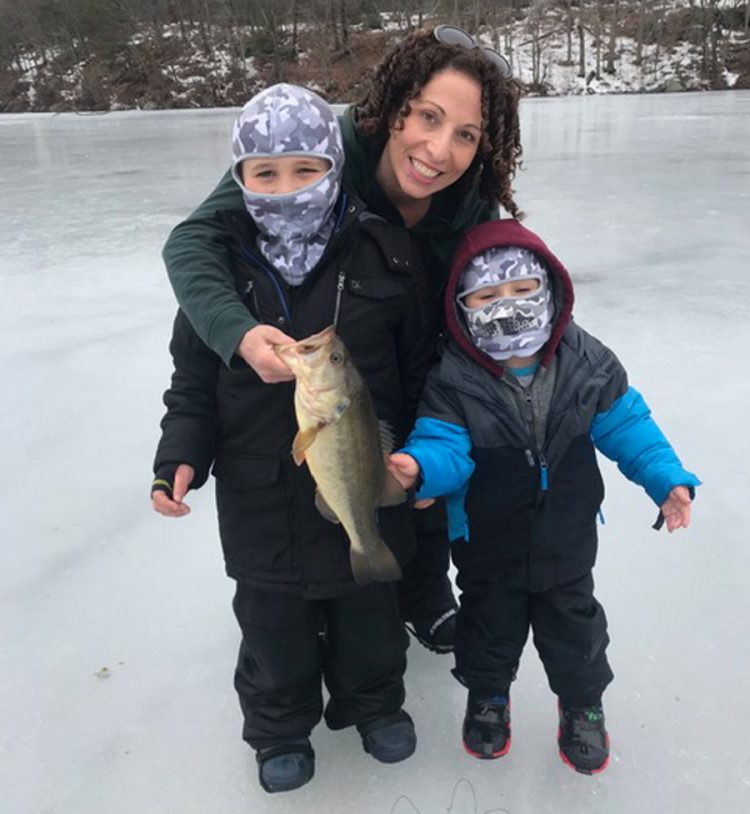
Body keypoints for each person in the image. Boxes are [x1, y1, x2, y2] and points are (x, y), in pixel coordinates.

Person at [160, 25, 524, 653]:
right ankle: (322, 592)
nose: (438, 150)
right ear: (393, 109)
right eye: (427, 118)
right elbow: (193, 242)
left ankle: (423, 589)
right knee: (345, 465)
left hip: (414, 340)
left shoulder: (470, 205)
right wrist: (239, 335)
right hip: (338, 337)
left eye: (465, 135)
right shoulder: (323, 152)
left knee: (430, 444)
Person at [151, 83, 435, 794]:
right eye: (265, 173)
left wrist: (421, 459)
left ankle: (374, 703)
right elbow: (191, 385)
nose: (286, 188)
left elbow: (420, 375)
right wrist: (178, 458)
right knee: (271, 625)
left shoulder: (384, 254)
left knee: (370, 616)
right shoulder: (217, 272)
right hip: (257, 497)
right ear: (238, 179)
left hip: (363, 472)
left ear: (335, 167)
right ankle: (279, 726)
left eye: (306, 169)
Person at [387, 218, 700, 775]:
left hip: (566, 539)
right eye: (485, 295)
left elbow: (629, 426)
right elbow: (444, 445)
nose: (505, 305)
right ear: (461, 308)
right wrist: (418, 469)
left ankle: (582, 705)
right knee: (486, 627)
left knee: (574, 629)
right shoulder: (453, 377)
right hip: (486, 541)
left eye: (522, 290)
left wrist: (665, 477)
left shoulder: (587, 361)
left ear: (550, 290)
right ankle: (488, 698)